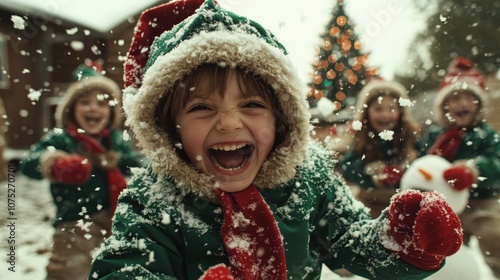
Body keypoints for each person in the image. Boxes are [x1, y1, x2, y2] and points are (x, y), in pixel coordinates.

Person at [89, 1, 463, 279]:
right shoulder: (152, 201)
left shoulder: (309, 179)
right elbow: (125, 266)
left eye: (251, 104)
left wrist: (403, 239)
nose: (229, 122)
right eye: (202, 108)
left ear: (282, 119)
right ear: (170, 128)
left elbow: (352, 240)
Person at [20, 61, 143, 280]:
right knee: (69, 271)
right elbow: (29, 163)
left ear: (111, 112)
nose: (93, 108)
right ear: (71, 109)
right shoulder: (61, 139)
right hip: (74, 223)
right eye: (85, 102)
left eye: (102, 103)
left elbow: (134, 163)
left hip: (112, 220)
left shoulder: (113, 141)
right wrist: (55, 163)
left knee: (111, 271)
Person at [421, 56, 500, 278]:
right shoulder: (436, 136)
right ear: (445, 106)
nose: (462, 103)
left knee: (495, 236)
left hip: (481, 201)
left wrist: (473, 169)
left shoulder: (486, 134)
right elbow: (422, 163)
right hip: (448, 205)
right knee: (443, 251)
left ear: (479, 105)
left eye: (469, 98)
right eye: (455, 99)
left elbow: (497, 162)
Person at [337, 79, 421, 218]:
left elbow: (424, 162)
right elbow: (347, 166)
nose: (385, 115)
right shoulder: (359, 137)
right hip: (369, 205)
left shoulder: (410, 137)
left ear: (401, 112)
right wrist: (374, 174)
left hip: (406, 207)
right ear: (366, 113)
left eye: (391, 108)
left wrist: (404, 173)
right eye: (378, 109)